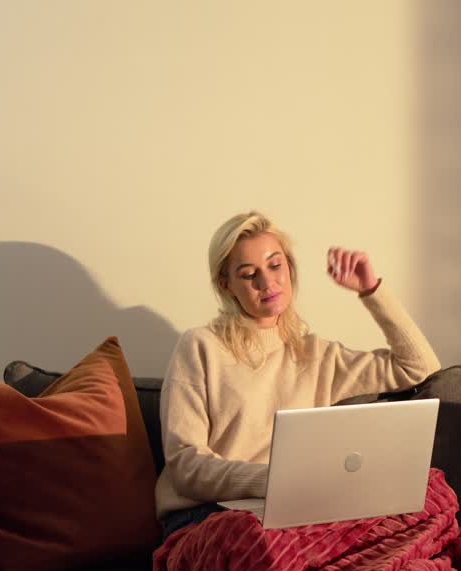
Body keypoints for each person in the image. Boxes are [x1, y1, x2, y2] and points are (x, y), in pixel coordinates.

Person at [155, 210, 441, 538]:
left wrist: (370, 290)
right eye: (249, 274)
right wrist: (273, 481)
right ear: (226, 284)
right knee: (264, 548)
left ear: (289, 268)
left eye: (275, 265)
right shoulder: (200, 346)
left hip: (290, 512)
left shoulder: (315, 355)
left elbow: (419, 366)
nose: (267, 282)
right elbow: (184, 464)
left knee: (428, 498)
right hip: (205, 515)